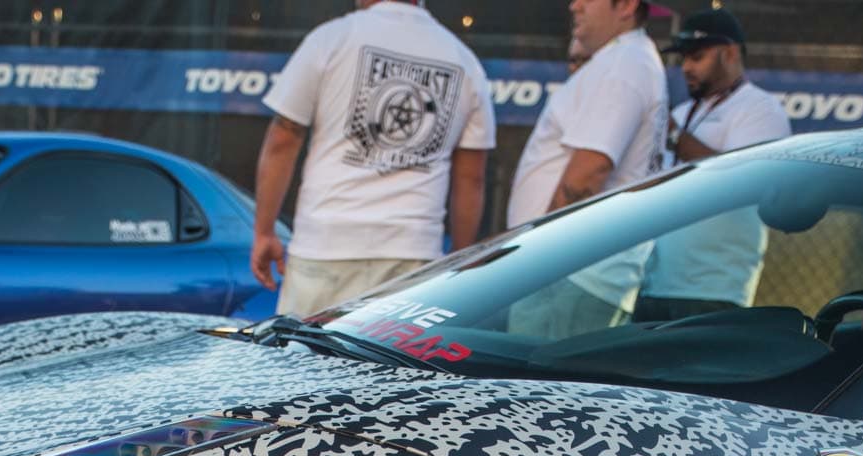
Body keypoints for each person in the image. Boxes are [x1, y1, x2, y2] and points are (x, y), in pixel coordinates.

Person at [251, 0, 496, 318]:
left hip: (326, 243)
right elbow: (472, 178)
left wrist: (264, 231)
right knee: (390, 354)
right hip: (412, 253)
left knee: (305, 350)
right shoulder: (464, 61)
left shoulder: (332, 39)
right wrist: (458, 260)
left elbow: (283, 140)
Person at [505, 0, 670, 334]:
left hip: (569, 276)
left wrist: (535, 262)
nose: (574, 6)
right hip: (576, 275)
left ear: (626, 6)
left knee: (534, 370)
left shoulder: (625, 64)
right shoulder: (626, 60)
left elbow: (587, 175)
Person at [634, 8, 792, 322]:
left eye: (697, 57)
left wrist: (674, 135)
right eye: (684, 59)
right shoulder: (681, 112)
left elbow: (740, 181)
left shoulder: (761, 110)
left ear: (730, 53)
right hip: (652, 283)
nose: (686, 67)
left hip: (713, 290)